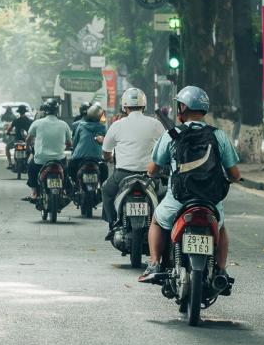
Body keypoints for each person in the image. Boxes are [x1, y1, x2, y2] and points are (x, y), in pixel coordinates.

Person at [139, 85, 242, 286]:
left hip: (178, 199)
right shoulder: (218, 135)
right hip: (210, 201)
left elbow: (152, 169)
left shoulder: (171, 135)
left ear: (183, 108)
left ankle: (154, 264)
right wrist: (234, 179)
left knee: (157, 221)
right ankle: (220, 269)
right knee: (220, 228)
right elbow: (234, 174)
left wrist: (154, 172)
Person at [101, 86, 164, 238]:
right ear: (144, 105)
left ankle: (113, 223)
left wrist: (108, 158)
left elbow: (106, 150)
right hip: (149, 176)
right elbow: (166, 145)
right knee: (163, 195)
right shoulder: (155, 123)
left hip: (123, 175)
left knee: (106, 190)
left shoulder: (118, 124)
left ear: (124, 106)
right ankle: (161, 228)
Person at [25, 99, 72, 203]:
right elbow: (69, 143)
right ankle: (64, 191)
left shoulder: (37, 123)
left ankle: (34, 191)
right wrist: (64, 147)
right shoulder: (64, 125)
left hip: (40, 159)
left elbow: (28, 139)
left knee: (31, 167)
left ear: (45, 110)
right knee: (66, 173)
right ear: (57, 111)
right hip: (59, 159)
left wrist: (29, 147)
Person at [68, 101, 108, 188]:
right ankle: (102, 188)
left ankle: (75, 187)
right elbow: (106, 143)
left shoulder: (81, 125)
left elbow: (75, 142)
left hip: (80, 157)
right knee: (104, 170)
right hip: (97, 158)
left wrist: (74, 152)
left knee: (70, 169)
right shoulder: (103, 127)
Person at [5, 103, 32, 167]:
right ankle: (26, 161)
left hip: (16, 140)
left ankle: (10, 163)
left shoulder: (16, 120)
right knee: (31, 150)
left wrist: (8, 133)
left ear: (19, 112)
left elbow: (9, 129)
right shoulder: (29, 121)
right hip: (26, 140)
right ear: (25, 112)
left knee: (7, 148)